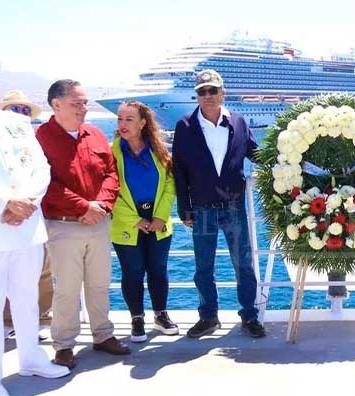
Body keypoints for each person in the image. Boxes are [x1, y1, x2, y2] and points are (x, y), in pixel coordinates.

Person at [0, 50, 69, 396]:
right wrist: (5, 202)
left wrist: (26, 201)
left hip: (26, 229)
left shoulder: (16, 124)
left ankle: (31, 359)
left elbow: (40, 168)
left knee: (28, 301)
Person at [37, 79, 130, 369]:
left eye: (85, 102)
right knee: (66, 287)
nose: (84, 108)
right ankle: (64, 344)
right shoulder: (41, 138)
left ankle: (103, 335)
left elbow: (111, 174)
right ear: (57, 104)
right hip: (64, 224)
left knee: (100, 283)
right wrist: (83, 207)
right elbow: (44, 183)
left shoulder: (95, 134)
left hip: (98, 222)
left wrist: (100, 205)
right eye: (77, 103)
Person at [172, 69, 266, 339]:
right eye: (202, 92)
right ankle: (208, 316)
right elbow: (179, 170)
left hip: (234, 206)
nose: (208, 96)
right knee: (203, 267)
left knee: (243, 264)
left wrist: (284, 166)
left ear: (222, 93)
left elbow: (253, 152)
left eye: (213, 90)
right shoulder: (185, 126)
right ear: (197, 96)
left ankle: (249, 316)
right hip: (201, 209)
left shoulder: (238, 121)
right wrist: (183, 207)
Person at [111, 101, 178, 342]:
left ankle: (161, 315)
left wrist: (160, 216)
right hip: (127, 223)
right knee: (132, 272)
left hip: (158, 222)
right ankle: (136, 319)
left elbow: (171, 184)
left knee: (158, 271)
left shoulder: (159, 149)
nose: (123, 124)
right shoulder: (112, 152)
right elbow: (109, 189)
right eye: (120, 119)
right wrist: (134, 219)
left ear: (142, 123)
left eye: (129, 119)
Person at [0, 90, 53, 336]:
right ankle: (8, 322)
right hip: (2, 216)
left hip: (39, 215)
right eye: (14, 109)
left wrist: (30, 202)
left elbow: (46, 173)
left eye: (25, 110)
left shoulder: (39, 140)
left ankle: (41, 317)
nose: (21, 114)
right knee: (4, 273)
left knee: (43, 271)